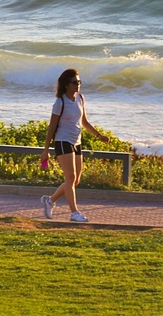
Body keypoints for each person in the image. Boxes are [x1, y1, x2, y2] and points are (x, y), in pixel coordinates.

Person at [41, 68, 113, 223]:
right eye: (75, 82)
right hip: (62, 141)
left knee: (75, 180)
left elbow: (84, 122)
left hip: (77, 141)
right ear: (66, 85)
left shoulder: (80, 98)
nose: (78, 85)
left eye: (79, 82)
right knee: (70, 177)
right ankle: (74, 213)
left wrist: (99, 135)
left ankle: (50, 201)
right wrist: (45, 150)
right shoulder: (59, 102)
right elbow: (51, 128)